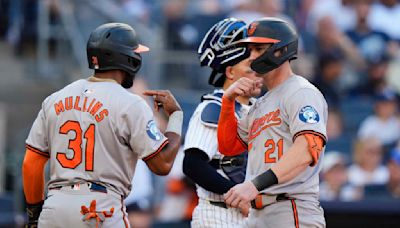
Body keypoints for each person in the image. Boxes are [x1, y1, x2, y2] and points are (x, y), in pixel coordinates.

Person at [21, 23, 183, 228]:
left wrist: (35, 213)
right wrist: (175, 116)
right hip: (99, 207)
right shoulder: (130, 103)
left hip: (55, 207)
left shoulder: (54, 99)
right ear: (127, 59)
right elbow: (163, 165)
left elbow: (31, 164)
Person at [217, 17, 328, 227]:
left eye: (258, 49)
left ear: (281, 50)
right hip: (258, 213)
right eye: (250, 50)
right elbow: (229, 147)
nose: (251, 57)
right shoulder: (260, 104)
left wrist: (254, 185)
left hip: (291, 208)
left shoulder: (300, 92)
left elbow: (307, 150)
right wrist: (228, 102)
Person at [182, 17, 258, 227]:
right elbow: (193, 164)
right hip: (218, 214)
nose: (257, 73)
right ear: (230, 72)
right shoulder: (213, 106)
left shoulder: (259, 108)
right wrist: (235, 194)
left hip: (252, 216)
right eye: (250, 67)